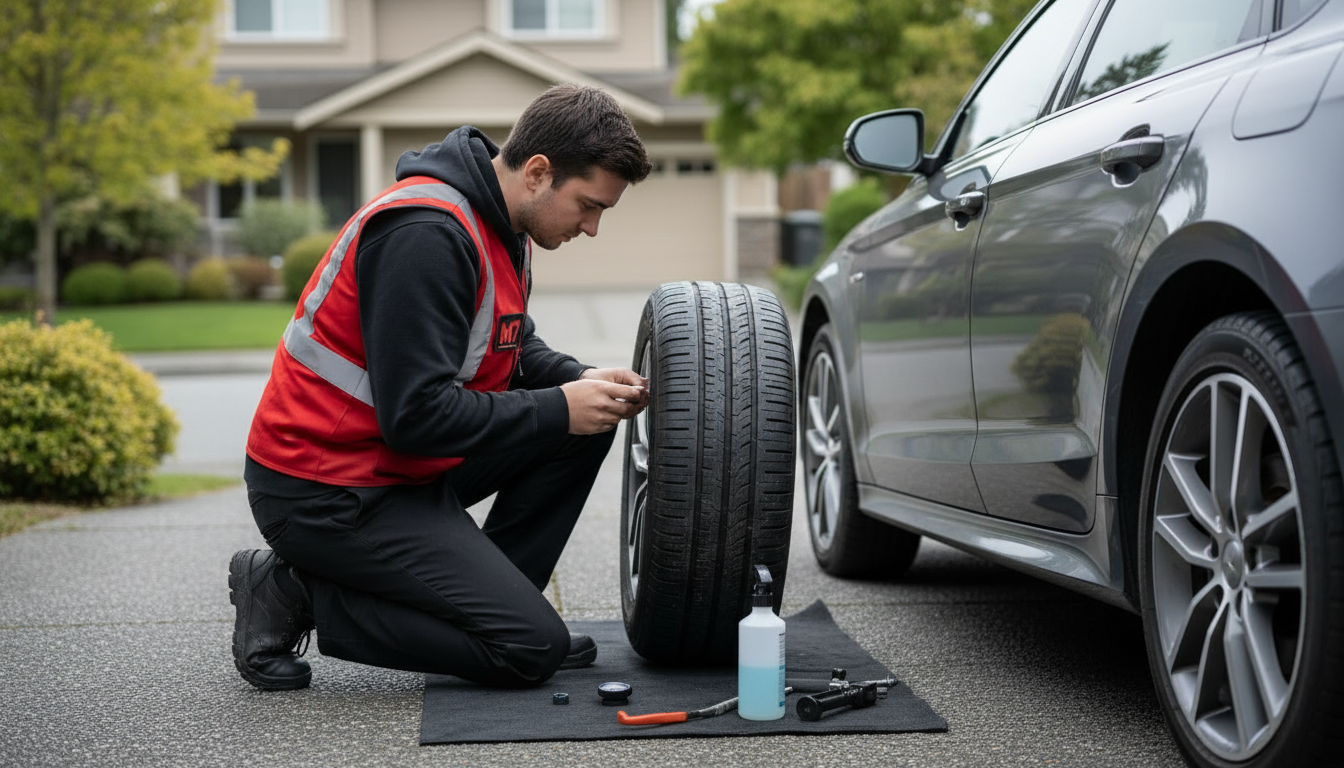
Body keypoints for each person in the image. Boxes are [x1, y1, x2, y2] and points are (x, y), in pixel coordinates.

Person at [229, 83, 652, 691]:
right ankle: (290, 589)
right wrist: (559, 408)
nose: (591, 228)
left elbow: (509, 342)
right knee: (528, 650)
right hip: (326, 492)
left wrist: (577, 379)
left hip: (398, 469)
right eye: (589, 205)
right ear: (538, 173)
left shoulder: (502, 223)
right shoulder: (424, 234)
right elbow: (417, 416)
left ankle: (491, 608)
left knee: (581, 429)